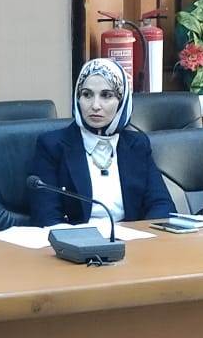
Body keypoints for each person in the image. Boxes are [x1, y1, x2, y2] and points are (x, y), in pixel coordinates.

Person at [29, 58, 173, 227]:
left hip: (132, 238)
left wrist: (145, 235)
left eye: (106, 95)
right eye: (87, 95)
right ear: (77, 98)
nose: (95, 105)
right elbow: (46, 216)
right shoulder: (52, 146)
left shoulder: (137, 145)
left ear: (121, 101)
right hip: (76, 239)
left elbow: (162, 205)